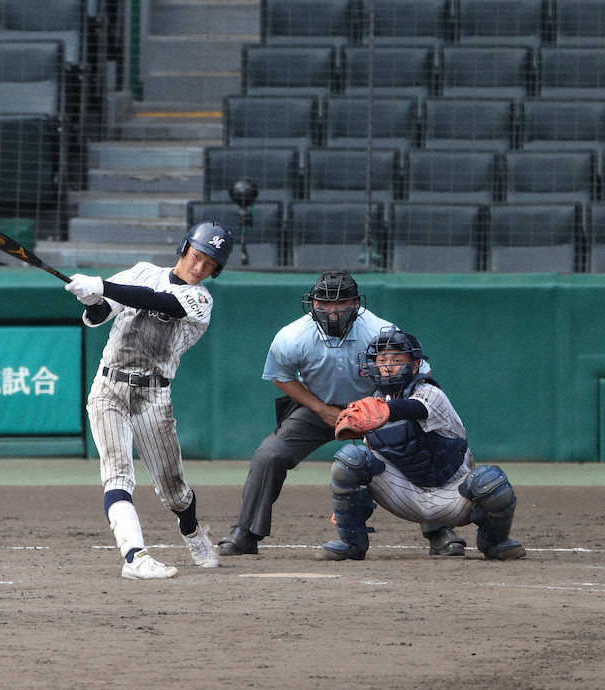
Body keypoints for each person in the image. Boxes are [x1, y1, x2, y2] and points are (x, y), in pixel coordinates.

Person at [217, 270, 466, 558]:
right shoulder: (292, 336)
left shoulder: (379, 330)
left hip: (375, 407)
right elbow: (280, 376)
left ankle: (439, 530)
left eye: (342, 303)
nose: (332, 311)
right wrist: (322, 410)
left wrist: (385, 409)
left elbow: (419, 370)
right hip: (319, 407)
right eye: (324, 304)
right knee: (269, 454)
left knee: (410, 447)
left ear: (357, 303)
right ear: (312, 304)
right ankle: (246, 533)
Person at [64, 222, 234, 579]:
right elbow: (100, 315)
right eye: (197, 256)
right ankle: (135, 557)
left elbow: (160, 302)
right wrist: (93, 300)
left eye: (210, 265)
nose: (200, 267)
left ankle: (190, 529)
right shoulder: (142, 272)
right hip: (108, 387)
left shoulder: (201, 299)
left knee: (174, 490)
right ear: (185, 248)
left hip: (152, 396)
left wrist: (104, 286)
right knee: (118, 475)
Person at [316, 327, 526, 561]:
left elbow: (414, 408)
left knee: (490, 481)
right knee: (350, 459)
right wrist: (348, 506)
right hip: (404, 494)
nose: (387, 365)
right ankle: (351, 543)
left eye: (397, 360)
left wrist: (384, 410)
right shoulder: (372, 403)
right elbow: (373, 460)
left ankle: (495, 543)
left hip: (453, 495)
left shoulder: (429, 392)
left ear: (414, 365)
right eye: (382, 359)